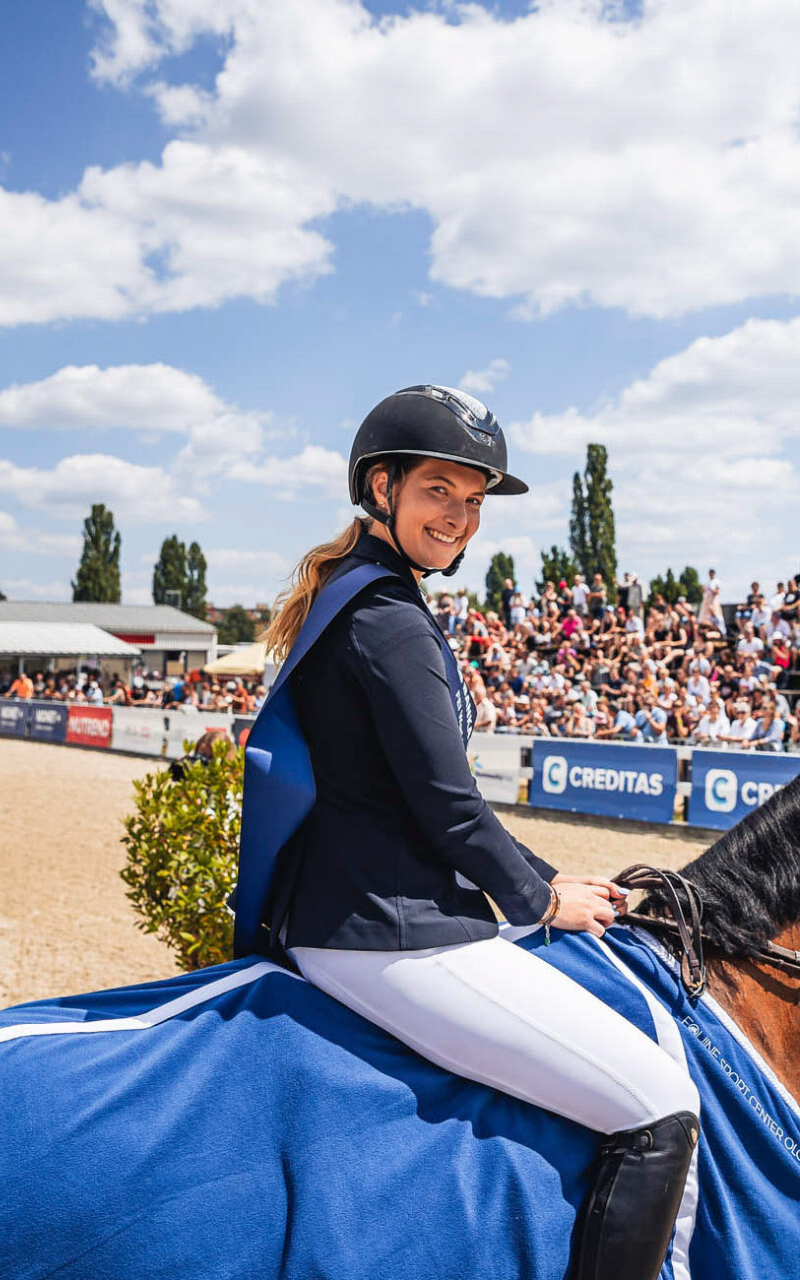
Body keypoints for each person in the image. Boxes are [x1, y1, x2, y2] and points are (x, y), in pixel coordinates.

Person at [249, 385, 698, 1280]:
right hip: (388, 934)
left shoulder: (360, 595)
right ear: (382, 488)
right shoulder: (388, 619)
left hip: (362, 908)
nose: (458, 516)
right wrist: (541, 900)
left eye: (473, 500)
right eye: (437, 491)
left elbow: (433, 800)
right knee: (660, 1103)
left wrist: (546, 878)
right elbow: (451, 809)